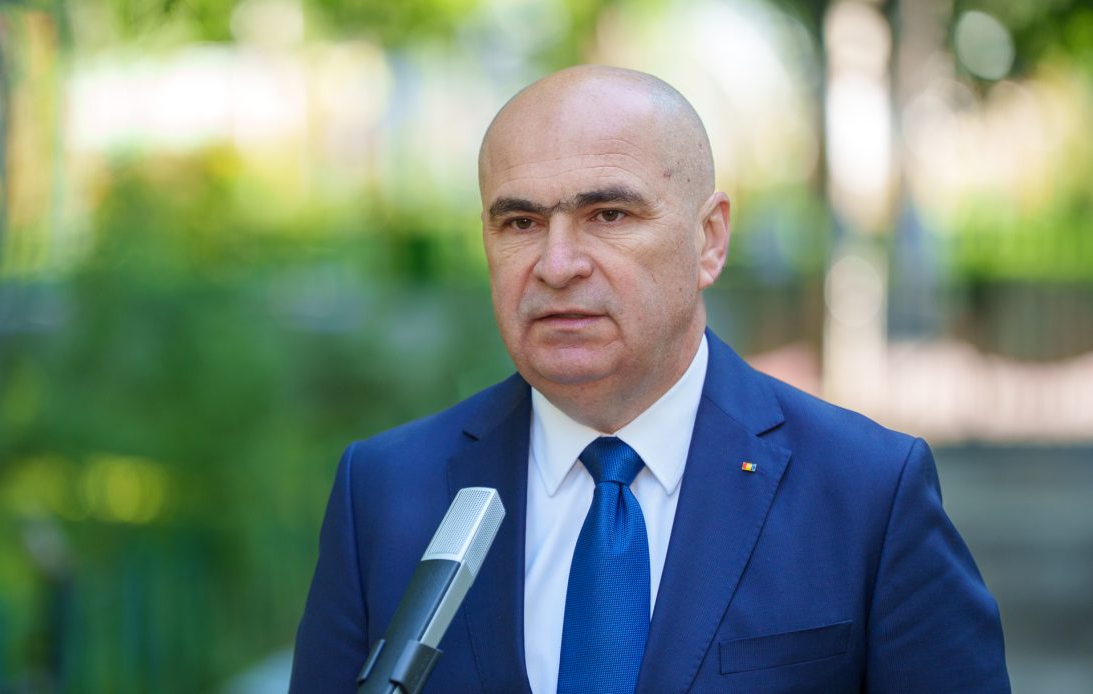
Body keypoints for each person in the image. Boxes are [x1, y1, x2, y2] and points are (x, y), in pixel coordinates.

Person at [289, 65, 1010, 693]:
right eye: (520, 223)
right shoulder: (385, 491)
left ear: (709, 239)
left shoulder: (866, 492)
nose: (557, 264)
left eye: (609, 214)